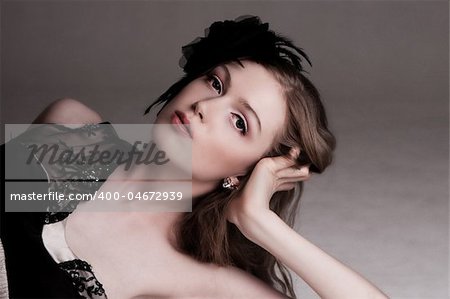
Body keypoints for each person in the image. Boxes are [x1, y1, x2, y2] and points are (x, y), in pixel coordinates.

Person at [1, 16, 389, 299]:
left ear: (248, 170)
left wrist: (260, 222)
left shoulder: (205, 282)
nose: (206, 105)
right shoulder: (70, 126)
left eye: (239, 122)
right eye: (216, 83)